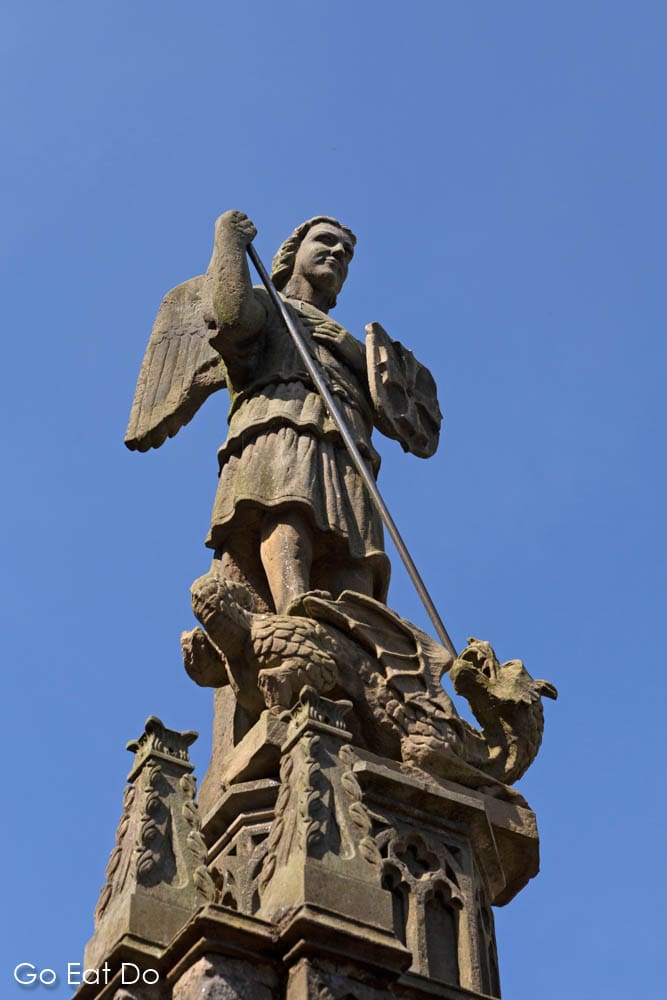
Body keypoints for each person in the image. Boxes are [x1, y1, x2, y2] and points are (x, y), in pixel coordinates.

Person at [204, 210, 390, 614]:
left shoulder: (349, 343)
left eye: (347, 252)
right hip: (282, 423)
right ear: (292, 255)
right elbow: (231, 321)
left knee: (356, 547)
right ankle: (292, 609)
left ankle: (355, 638)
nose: (339, 252)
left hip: (348, 445)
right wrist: (229, 243)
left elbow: (404, 412)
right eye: (325, 241)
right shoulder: (269, 306)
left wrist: (355, 352)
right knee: (288, 505)